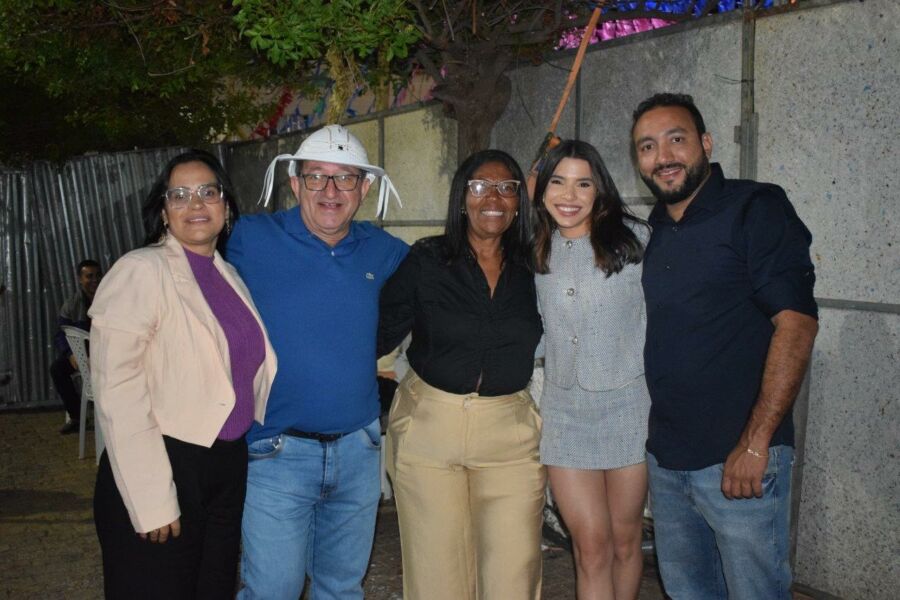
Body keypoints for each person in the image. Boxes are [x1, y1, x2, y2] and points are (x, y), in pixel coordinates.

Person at [631, 93, 818, 599]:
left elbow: (797, 325)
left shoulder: (755, 207)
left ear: (707, 143)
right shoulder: (655, 230)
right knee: (688, 592)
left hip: (740, 460)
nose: (663, 156)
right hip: (668, 461)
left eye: (676, 139)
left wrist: (756, 444)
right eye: (647, 146)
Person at [228, 124, 408, 599]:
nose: (330, 191)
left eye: (345, 178)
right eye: (316, 177)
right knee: (272, 591)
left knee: (342, 590)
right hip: (275, 453)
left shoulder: (384, 250)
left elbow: (446, 274)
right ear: (295, 183)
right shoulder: (250, 238)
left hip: (358, 451)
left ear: (364, 189)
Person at [89, 149, 278, 599]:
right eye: (180, 195)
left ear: (225, 205)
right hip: (164, 462)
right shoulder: (140, 270)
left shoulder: (227, 274)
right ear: (163, 211)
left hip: (225, 465)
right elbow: (117, 394)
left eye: (208, 192)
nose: (196, 204)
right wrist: (152, 498)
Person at [378, 149, 546, 600]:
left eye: (506, 188)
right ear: (461, 198)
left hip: (509, 436)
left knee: (513, 576)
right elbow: (378, 333)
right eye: (480, 186)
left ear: (519, 202)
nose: (493, 197)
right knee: (437, 579)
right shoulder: (427, 259)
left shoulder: (536, 266)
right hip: (430, 430)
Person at [532, 139, 650, 600]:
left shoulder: (636, 241)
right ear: (541, 189)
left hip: (629, 409)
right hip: (565, 415)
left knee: (624, 541)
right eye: (557, 182)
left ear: (599, 190)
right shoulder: (533, 250)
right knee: (591, 546)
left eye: (583, 184)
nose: (569, 195)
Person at [51, 258, 101, 434]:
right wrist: (70, 354)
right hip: (82, 355)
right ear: (80, 279)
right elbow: (60, 333)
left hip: (106, 355)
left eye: (97, 275)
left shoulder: (110, 299)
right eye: (89, 276)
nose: (94, 280)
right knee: (57, 369)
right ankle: (77, 417)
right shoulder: (72, 304)